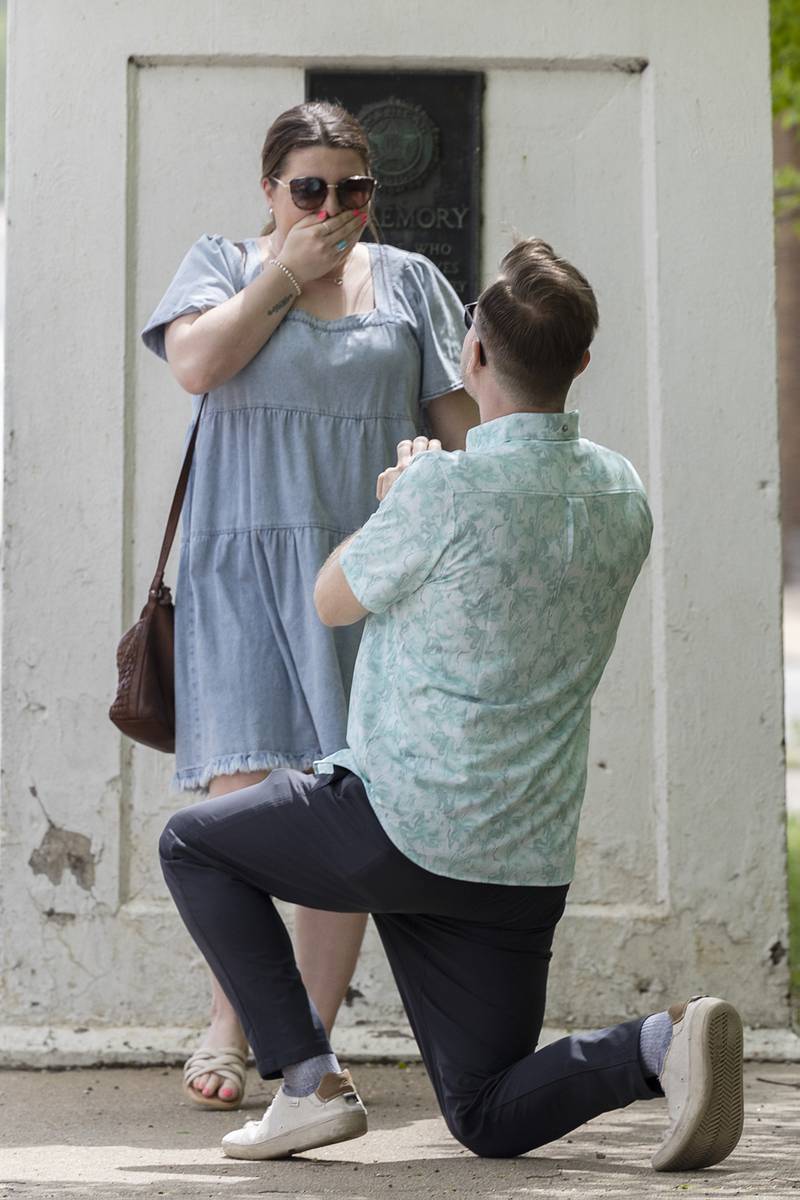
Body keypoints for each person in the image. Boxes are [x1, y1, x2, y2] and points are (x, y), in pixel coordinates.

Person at [159, 238, 744, 1171]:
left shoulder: (443, 487)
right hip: (519, 855)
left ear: (473, 357)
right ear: (582, 363)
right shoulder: (622, 491)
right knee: (486, 1113)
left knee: (192, 844)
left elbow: (331, 599)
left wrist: (397, 502)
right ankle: (656, 1045)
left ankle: (306, 1082)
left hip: (397, 819)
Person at [141, 100, 477, 1108]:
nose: (333, 208)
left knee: (342, 805)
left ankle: (311, 1044)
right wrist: (285, 273)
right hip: (239, 567)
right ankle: (227, 1028)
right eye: (310, 189)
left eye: (353, 191)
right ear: (270, 189)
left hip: (365, 574)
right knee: (240, 805)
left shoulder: (410, 281)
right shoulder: (222, 265)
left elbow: (459, 428)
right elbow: (196, 363)